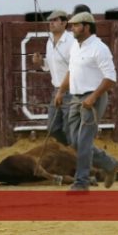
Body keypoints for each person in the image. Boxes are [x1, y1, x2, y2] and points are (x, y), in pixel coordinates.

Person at [54, 12, 118, 191]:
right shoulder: (76, 47)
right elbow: (71, 71)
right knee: (75, 141)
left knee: (83, 141)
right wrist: (61, 91)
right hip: (76, 98)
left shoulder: (99, 48)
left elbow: (111, 78)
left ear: (87, 27)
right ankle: (110, 163)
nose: (72, 28)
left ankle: (81, 181)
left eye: (76, 25)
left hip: (93, 99)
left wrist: (93, 96)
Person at [32, 10, 75, 146]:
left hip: (72, 90)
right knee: (52, 128)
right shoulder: (49, 42)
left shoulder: (72, 41)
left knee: (70, 128)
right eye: (50, 20)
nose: (51, 22)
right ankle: (68, 151)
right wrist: (40, 62)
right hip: (56, 90)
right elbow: (50, 66)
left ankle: (74, 154)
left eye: (55, 20)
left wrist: (62, 91)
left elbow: (75, 68)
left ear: (64, 23)